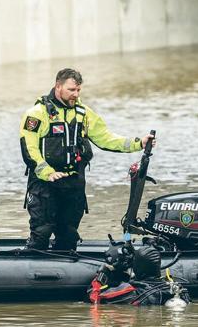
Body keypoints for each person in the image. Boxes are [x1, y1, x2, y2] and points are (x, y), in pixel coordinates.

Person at [20, 68, 154, 250]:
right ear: (58, 87)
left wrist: (138, 143)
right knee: (41, 232)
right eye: (71, 90)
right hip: (45, 184)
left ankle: (66, 268)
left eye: (78, 90)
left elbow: (106, 138)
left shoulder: (83, 113)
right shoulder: (37, 113)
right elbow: (29, 148)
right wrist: (47, 172)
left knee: (68, 234)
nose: (75, 94)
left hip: (73, 183)